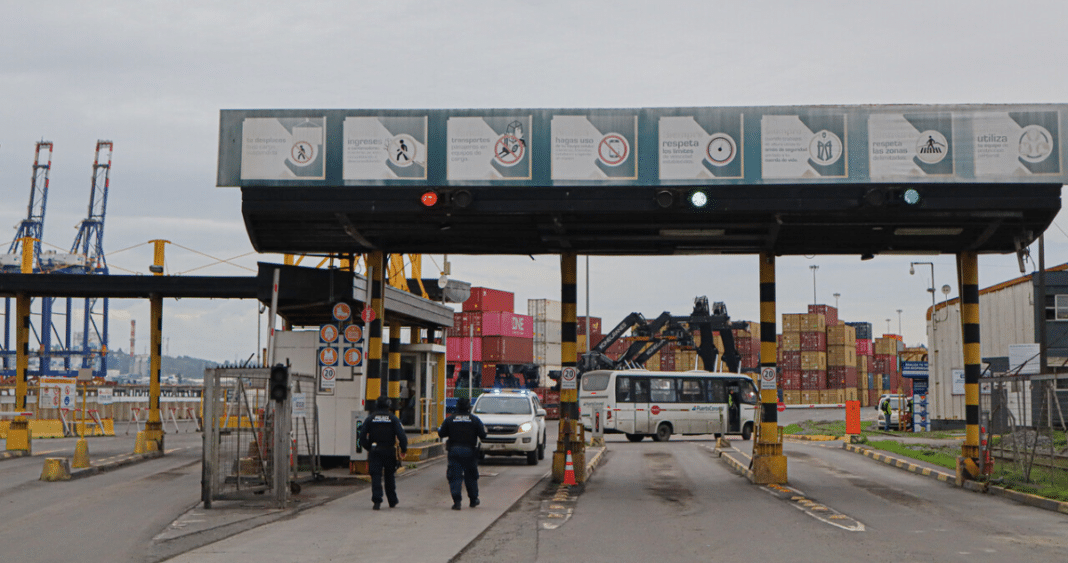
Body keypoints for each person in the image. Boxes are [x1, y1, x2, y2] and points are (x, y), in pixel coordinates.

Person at [358, 396, 408, 510]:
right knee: (389, 476)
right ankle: (392, 501)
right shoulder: (393, 418)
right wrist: (403, 449)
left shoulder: (370, 418)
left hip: (375, 451)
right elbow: (401, 436)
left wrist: (368, 447)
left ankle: (377, 501)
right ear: (388, 406)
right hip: (389, 450)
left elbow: (362, 436)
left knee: (376, 476)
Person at [437, 396, 487, 510]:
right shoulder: (474, 419)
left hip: (454, 451)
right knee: (471, 476)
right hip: (470, 452)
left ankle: (457, 502)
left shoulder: (450, 419)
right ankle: (473, 500)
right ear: (469, 407)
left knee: (455, 477)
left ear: (457, 406)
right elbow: (483, 435)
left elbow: (441, 433)